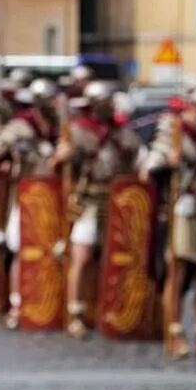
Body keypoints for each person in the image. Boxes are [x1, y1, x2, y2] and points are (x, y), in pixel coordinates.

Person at [0, 78, 58, 329]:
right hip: (27, 195)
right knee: (20, 248)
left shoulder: (61, 126)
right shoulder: (20, 127)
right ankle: (18, 304)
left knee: (54, 251)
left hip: (57, 197)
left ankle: (53, 303)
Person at [53, 80, 141, 339]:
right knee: (81, 255)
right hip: (89, 198)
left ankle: (107, 308)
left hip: (116, 199)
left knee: (112, 258)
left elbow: (134, 155)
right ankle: (75, 312)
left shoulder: (120, 131)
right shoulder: (78, 131)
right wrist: (64, 156)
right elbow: (58, 165)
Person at [142, 85, 196, 359]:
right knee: (176, 273)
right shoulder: (173, 132)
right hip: (182, 208)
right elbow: (148, 169)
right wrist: (168, 161)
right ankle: (174, 331)